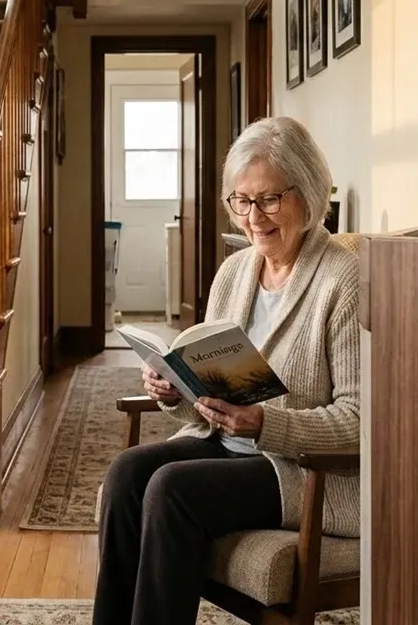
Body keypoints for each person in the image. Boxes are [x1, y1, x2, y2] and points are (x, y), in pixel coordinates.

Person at [92, 116, 360, 625]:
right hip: (228, 446)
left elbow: (358, 417)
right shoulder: (235, 272)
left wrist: (265, 424)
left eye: (268, 200)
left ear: (306, 193)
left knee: (172, 489)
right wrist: (176, 391)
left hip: (298, 469)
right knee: (128, 473)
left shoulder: (342, 280)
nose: (253, 217)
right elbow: (211, 389)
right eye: (241, 200)